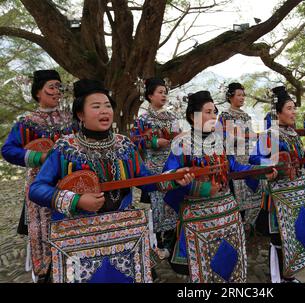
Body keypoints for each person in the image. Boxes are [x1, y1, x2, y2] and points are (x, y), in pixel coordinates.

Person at [28, 79, 193, 283]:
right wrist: (76, 200)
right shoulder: (65, 147)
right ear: (80, 114)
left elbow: (145, 180)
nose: (104, 111)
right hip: (80, 238)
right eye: (96, 106)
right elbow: (36, 189)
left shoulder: (124, 145)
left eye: (107, 106)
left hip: (124, 234)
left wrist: (175, 178)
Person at [163, 90, 277, 283]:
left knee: (228, 260)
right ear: (192, 116)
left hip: (226, 212)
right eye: (207, 112)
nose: (213, 116)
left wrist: (261, 169)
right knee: (201, 266)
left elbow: (234, 166)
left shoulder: (221, 142)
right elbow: (168, 177)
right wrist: (197, 186)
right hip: (198, 214)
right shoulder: (181, 143)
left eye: (214, 112)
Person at [1, 69, 77, 283]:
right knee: (43, 223)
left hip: (69, 179)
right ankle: (45, 269)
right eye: (51, 87)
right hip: (40, 181)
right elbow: (8, 150)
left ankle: (72, 264)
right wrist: (39, 157)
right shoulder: (27, 122)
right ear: (37, 93)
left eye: (60, 88)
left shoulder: (71, 119)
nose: (57, 92)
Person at [249, 86, 305, 283]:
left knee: (295, 234)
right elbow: (255, 158)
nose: (293, 112)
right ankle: (280, 278)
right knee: (280, 238)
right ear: (278, 112)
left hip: (297, 190)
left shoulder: (292, 133)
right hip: (279, 194)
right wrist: (273, 164)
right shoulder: (271, 134)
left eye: (294, 108)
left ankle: (290, 275)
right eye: (289, 108)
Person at [131, 77, 180, 259]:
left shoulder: (172, 117)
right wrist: (153, 141)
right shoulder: (143, 118)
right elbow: (135, 140)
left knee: (172, 201)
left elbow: (179, 137)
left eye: (165, 92)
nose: (163, 95)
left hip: (172, 164)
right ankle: (156, 244)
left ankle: (171, 244)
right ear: (150, 95)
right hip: (153, 167)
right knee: (156, 205)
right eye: (160, 92)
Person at [217, 82, 263, 228]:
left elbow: (250, 135)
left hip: (249, 155)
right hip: (234, 158)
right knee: (238, 192)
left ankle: (250, 224)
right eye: (239, 95)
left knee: (256, 187)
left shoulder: (246, 116)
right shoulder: (226, 115)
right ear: (230, 97)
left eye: (243, 95)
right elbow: (225, 139)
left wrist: (253, 137)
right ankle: (238, 224)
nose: (242, 98)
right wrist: (246, 137)